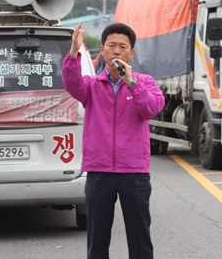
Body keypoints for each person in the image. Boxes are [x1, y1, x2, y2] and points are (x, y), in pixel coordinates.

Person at [62, 22, 165, 259]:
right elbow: (71, 83)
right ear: (103, 50)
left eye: (122, 46)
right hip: (99, 171)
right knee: (97, 238)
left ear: (131, 53)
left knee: (139, 237)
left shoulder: (144, 82)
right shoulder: (91, 85)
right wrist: (73, 53)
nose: (116, 51)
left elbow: (151, 108)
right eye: (111, 45)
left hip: (135, 172)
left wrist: (131, 82)